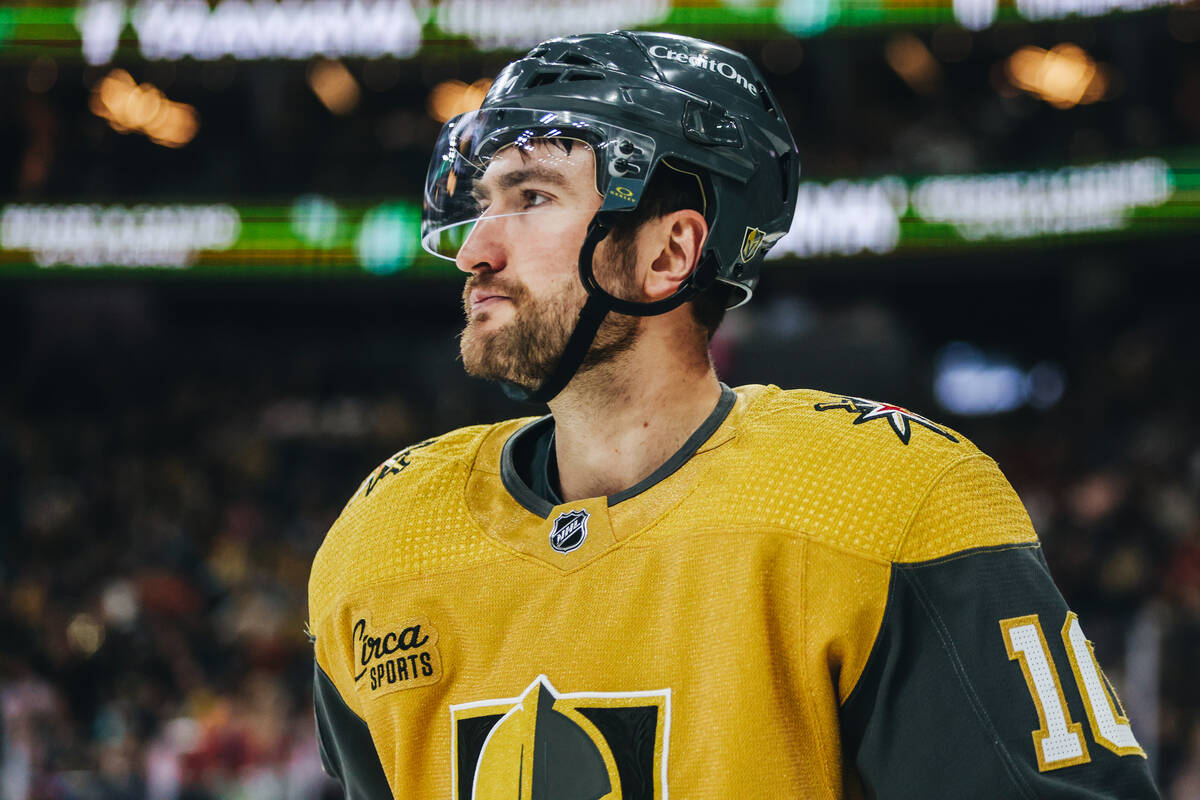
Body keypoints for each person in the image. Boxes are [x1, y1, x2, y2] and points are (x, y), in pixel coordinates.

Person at [307, 31, 1162, 799]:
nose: (474, 248)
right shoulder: (385, 537)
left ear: (669, 251)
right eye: (485, 199)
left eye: (532, 199)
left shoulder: (890, 497)